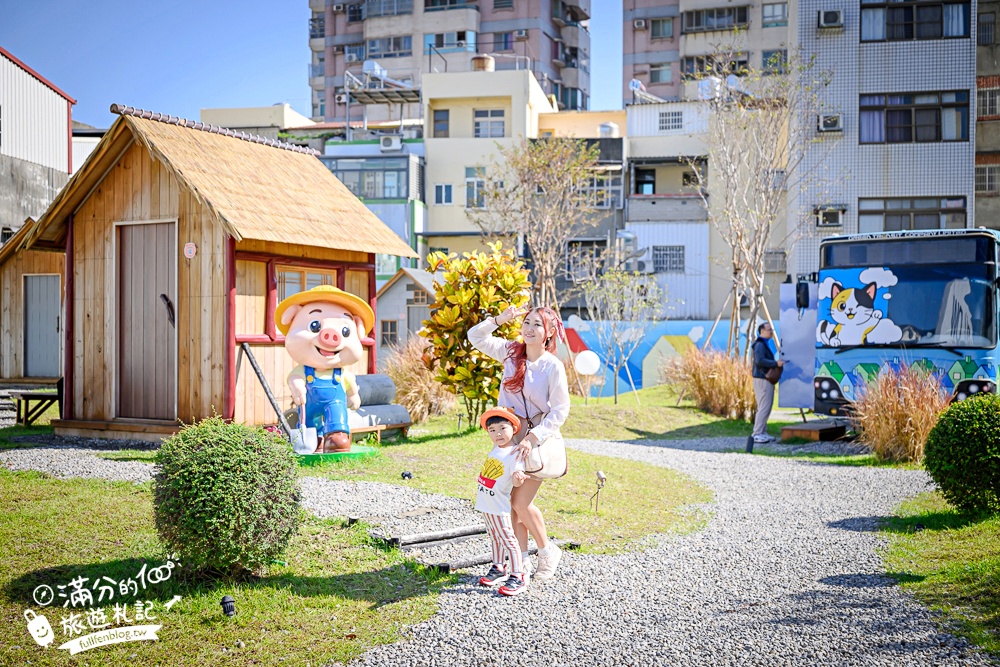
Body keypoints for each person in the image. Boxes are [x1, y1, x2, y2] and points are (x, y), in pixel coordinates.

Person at [467, 304, 570, 581]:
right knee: (508, 503)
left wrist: (532, 437)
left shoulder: (552, 366)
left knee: (521, 502)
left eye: (537, 324)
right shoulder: (510, 352)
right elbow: (475, 336)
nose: (529, 328)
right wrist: (500, 319)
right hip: (508, 439)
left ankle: (547, 551)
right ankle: (520, 561)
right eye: (526, 322)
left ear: (549, 332)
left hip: (534, 440)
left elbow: (560, 410)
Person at [475, 407, 530, 596]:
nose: (497, 433)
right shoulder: (496, 449)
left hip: (499, 506)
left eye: (502, 428)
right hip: (486, 503)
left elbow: (516, 478)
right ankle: (498, 567)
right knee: (494, 537)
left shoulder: (515, 453)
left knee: (508, 540)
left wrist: (518, 478)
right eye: (492, 430)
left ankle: (518, 575)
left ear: (513, 429)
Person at [751, 321, 783, 444]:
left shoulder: (763, 343)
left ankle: (762, 432)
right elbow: (759, 360)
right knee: (764, 407)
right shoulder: (760, 344)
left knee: (766, 406)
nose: (772, 332)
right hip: (762, 379)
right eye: (769, 330)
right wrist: (775, 363)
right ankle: (757, 433)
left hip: (764, 379)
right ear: (762, 331)